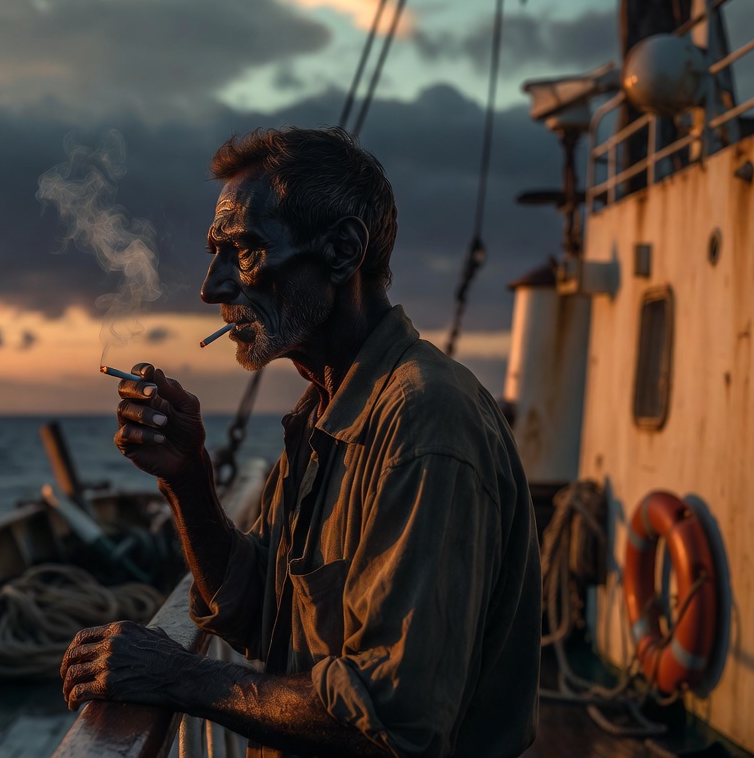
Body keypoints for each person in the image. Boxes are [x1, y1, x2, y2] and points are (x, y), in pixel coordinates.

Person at [59, 127, 540, 757]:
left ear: (342, 252)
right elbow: (261, 615)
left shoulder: (426, 420)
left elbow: (392, 723)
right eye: (215, 252)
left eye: (247, 251)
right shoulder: (326, 410)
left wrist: (179, 677)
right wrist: (188, 480)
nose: (213, 288)